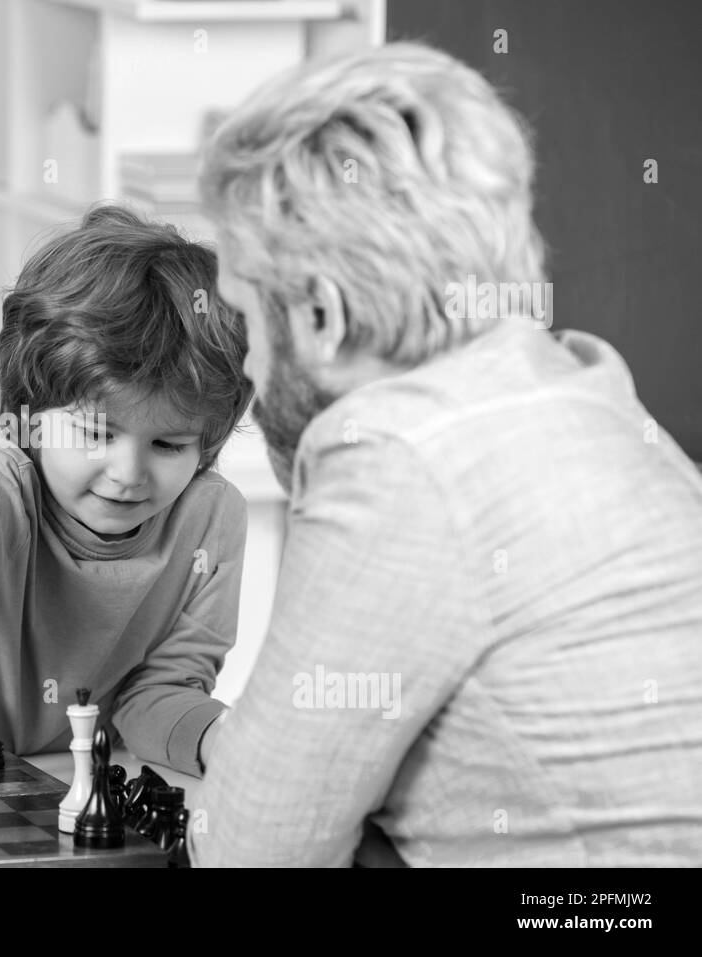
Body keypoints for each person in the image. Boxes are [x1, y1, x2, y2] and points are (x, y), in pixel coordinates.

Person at [191, 41, 702, 865]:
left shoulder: (401, 456)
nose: (245, 366)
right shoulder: (583, 384)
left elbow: (249, 847)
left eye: (247, 318)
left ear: (319, 315)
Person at [0, 204, 253, 776]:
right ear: (32, 414)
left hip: (61, 782)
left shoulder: (212, 519)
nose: (129, 472)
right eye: (96, 432)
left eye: (169, 445)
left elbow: (161, 694)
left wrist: (219, 737)